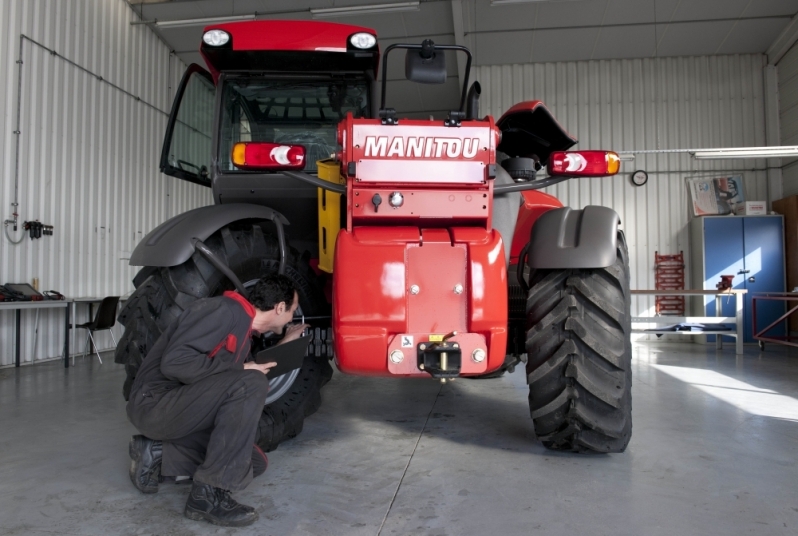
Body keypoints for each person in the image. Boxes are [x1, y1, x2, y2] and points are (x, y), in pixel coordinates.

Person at [126, 274, 307, 527]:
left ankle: (157, 453)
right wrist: (243, 370)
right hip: (155, 404)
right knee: (252, 382)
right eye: (292, 310)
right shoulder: (223, 311)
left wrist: (285, 343)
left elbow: (236, 372)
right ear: (279, 307)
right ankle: (207, 497)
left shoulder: (243, 328)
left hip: (182, 407)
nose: (292, 317)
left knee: (252, 462)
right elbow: (176, 362)